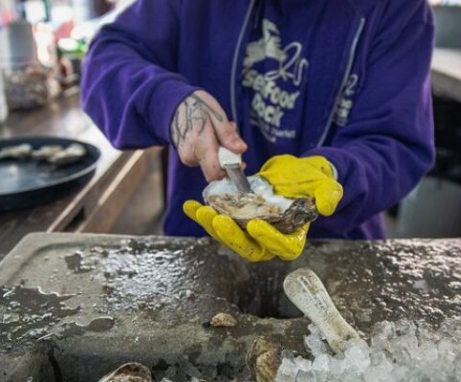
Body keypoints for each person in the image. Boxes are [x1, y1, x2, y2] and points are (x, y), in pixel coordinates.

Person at [82, 0, 435, 262]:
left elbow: (396, 143)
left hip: (338, 249)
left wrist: (335, 173)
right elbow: (105, 61)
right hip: (202, 245)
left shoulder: (399, 10)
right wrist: (168, 103)